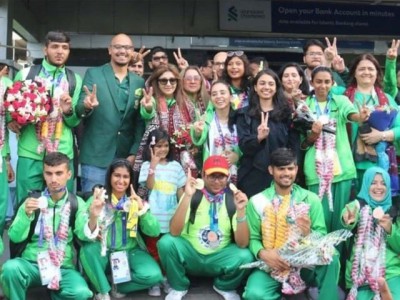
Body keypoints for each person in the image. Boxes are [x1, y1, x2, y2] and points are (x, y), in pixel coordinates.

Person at [243, 148, 340, 300]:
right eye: (281, 169)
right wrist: (264, 254)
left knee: (331, 256)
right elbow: (253, 238)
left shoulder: (310, 199)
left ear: (296, 169)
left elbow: (321, 235)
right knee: (254, 294)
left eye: (290, 168)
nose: (286, 173)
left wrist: (308, 232)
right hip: (272, 263)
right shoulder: (257, 201)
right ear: (271, 170)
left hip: (304, 264)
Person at [157, 155, 254, 300]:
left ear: (228, 177)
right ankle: (179, 286)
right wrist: (187, 196)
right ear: (203, 175)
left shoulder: (232, 198)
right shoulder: (193, 194)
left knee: (245, 256)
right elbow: (174, 232)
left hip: (218, 257)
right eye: (212, 176)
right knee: (166, 242)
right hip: (192, 255)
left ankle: (224, 286)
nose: (216, 181)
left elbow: (242, 243)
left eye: (221, 176)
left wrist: (241, 210)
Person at [0, 152, 94, 300]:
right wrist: (26, 214)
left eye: (59, 173)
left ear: (69, 175)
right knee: (10, 269)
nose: (53, 179)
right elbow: (14, 237)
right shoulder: (31, 201)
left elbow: (84, 235)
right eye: (49, 173)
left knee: (81, 293)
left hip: (62, 267)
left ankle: (55, 293)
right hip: (32, 264)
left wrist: (93, 217)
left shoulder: (76, 203)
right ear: (43, 174)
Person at [8, 31, 82, 204]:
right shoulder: (26, 75)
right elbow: (10, 106)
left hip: (62, 151)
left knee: (61, 206)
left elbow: (74, 122)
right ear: (45, 50)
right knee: (26, 204)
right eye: (55, 46)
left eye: (65, 48)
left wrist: (69, 111)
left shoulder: (74, 80)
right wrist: (11, 120)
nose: (60, 51)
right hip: (30, 151)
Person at [80, 158, 163, 300]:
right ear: (109, 177)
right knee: (87, 250)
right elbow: (80, 231)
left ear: (130, 180)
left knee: (154, 275)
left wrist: (141, 210)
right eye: (117, 175)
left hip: (130, 251)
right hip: (104, 251)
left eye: (125, 177)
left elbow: (154, 231)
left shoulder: (134, 201)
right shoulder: (98, 199)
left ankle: (117, 286)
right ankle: (103, 290)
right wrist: (93, 218)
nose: (121, 180)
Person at [301, 67, 369, 233]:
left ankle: (338, 258)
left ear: (332, 83)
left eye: (326, 82)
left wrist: (361, 117)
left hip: (341, 171)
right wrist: (314, 135)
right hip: (316, 172)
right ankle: (322, 259)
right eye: (318, 81)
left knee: (342, 222)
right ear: (311, 83)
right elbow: (302, 144)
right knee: (319, 222)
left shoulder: (341, 101)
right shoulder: (304, 106)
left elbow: (351, 115)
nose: (322, 85)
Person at [75, 33, 145, 193]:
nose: (122, 51)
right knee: (94, 205)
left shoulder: (138, 82)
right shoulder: (94, 74)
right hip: (96, 155)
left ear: (132, 51)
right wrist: (87, 105)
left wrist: (134, 152)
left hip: (124, 156)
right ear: (110, 50)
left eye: (127, 47)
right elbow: (79, 108)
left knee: (121, 209)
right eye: (118, 47)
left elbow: (139, 122)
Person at [236, 69, 299, 198]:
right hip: (253, 176)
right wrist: (258, 138)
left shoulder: (287, 114)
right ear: (255, 87)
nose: (266, 87)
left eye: (271, 84)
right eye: (262, 83)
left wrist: (290, 170)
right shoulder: (244, 114)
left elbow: (294, 145)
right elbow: (243, 146)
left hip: (282, 175)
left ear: (276, 88)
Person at [138, 128, 186, 296]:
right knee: (153, 250)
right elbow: (149, 186)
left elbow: (180, 191)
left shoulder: (176, 167)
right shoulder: (146, 166)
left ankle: (166, 279)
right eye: (158, 145)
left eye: (165, 145)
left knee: (168, 253)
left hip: (171, 220)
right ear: (150, 147)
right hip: (153, 220)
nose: (163, 149)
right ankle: (155, 281)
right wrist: (153, 165)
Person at [342, 53, 400, 190]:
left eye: (370, 69)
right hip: (347, 162)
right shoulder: (343, 97)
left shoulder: (386, 99)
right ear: (354, 73)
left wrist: (381, 136)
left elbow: (398, 127)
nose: (366, 72)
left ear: (376, 73)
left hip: (379, 163)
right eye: (362, 69)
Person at [342, 167, 400, 300]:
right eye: (373, 183)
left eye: (383, 183)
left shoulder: (395, 212)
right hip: (360, 277)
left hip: (390, 274)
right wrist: (348, 219)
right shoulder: (357, 205)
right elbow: (347, 216)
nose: (378, 187)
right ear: (366, 184)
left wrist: (390, 229)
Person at [133, 64, 196, 186]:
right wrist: (148, 107)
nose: (168, 84)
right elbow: (147, 113)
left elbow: (193, 128)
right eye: (163, 80)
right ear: (156, 82)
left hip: (181, 160)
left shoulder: (187, 105)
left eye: (172, 80)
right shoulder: (151, 99)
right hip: (156, 157)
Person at [191, 80, 239, 183]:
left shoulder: (241, 119)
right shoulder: (207, 120)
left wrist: (238, 156)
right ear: (211, 99)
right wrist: (197, 132)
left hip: (238, 173)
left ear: (231, 97)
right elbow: (198, 139)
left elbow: (248, 145)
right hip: (213, 175)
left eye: (222, 93)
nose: (218, 96)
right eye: (214, 94)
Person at [1, 66, 14, 235]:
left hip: (0, 157)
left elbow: (5, 125)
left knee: (1, 206)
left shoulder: (6, 84)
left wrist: (7, 159)